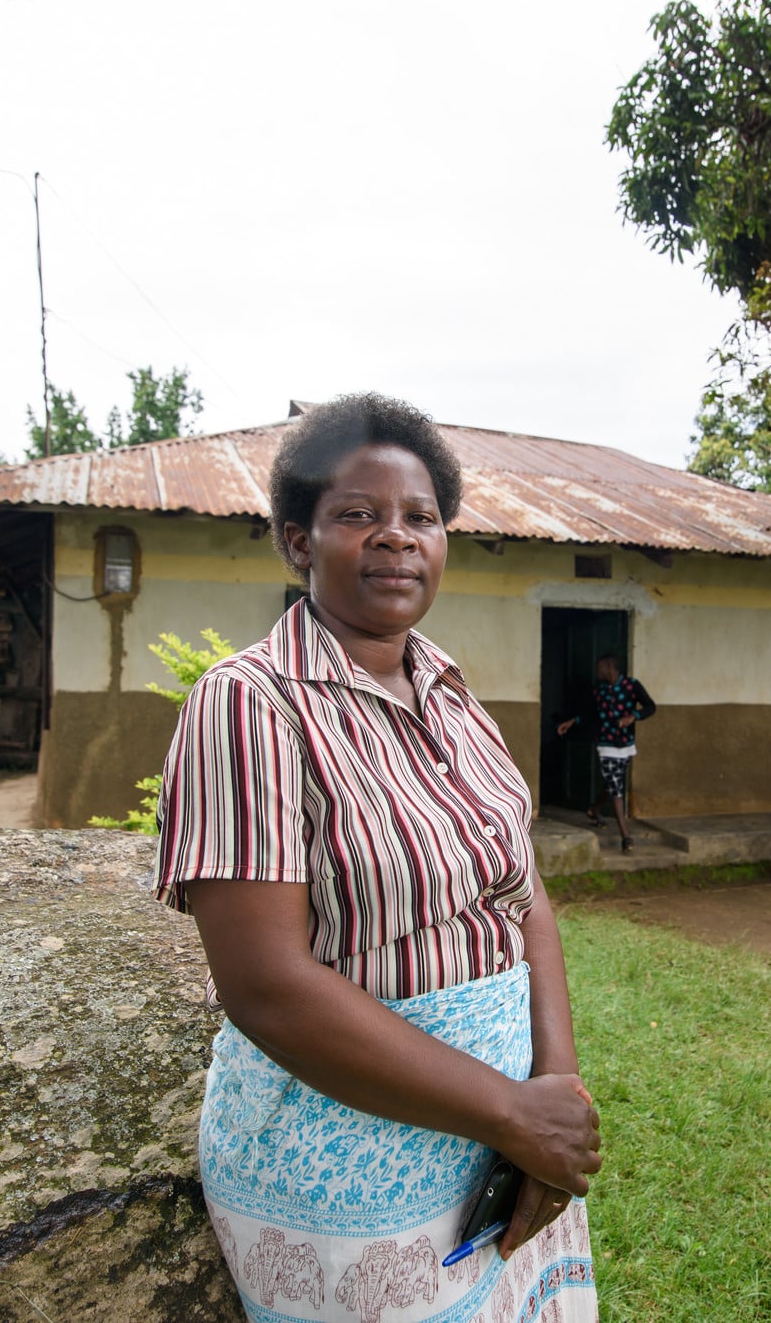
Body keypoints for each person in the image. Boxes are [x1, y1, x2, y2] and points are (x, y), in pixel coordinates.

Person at [150, 394, 601, 1323]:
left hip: (503, 1143)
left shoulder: (448, 687)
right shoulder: (248, 706)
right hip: (346, 1165)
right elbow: (267, 985)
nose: (396, 537)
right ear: (297, 540)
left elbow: (525, 892)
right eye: (358, 514)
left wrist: (551, 1093)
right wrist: (509, 1114)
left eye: (421, 516)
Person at [555, 654, 655, 854]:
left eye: (600, 667)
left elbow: (651, 707)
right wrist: (572, 722)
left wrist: (633, 716)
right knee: (616, 788)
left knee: (612, 785)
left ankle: (594, 809)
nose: (597, 671)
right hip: (605, 744)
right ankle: (626, 836)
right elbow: (590, 713)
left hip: (626, 744)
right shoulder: (599, 691)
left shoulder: (632, 685)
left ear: (610, 667)